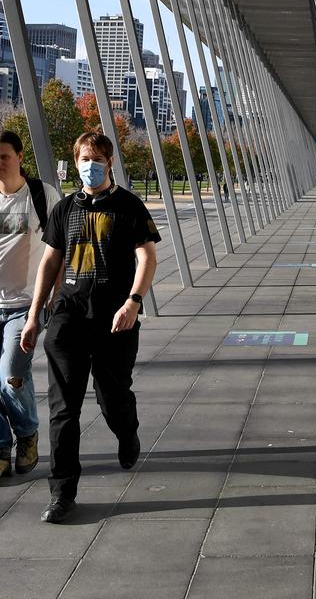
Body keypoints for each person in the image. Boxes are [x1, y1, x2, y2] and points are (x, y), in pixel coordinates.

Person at [21, 132, 161, 523]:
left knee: (111, 397)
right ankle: (62, 492)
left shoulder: (128, 206)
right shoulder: (65, 209)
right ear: (76, 160)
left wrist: (133, 302)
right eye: (84, 157)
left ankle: (127, 431)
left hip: (116, 317)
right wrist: (34, 316)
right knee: (63, 408)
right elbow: (50, 263)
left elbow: (147, 255)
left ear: (110, 161)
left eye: (97, 157)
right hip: (68, 314)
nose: (90, 164)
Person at [0, 131, 61, 478]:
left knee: (11, 373)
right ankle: (0, 446)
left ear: (20, 155)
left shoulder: (41, 195)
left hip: (24, 304)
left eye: (4, 156)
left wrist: (53, 296)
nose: (0, 162)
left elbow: (61, 247)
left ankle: (26, 434)